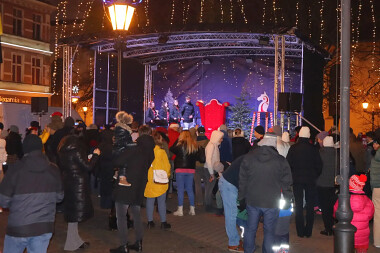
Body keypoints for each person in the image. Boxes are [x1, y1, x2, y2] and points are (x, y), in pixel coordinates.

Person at [0, 135, 64, 253]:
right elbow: (60, 197)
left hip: (18, 227)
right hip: (43, 227)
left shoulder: (15, 169)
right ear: (41, 149)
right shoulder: (54, 169)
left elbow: (3, 201)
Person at [239, 132, 293, 253]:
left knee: (250, 229)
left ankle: (248, 250)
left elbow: (242, 180)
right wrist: (288, 200)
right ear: (274, 143)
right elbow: (287, 183)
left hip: (253, 200)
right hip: (271, 202)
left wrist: (241, 198)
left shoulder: (249, 157)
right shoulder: (280, 160)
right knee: (269, 231)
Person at [110, 125, 155, 253]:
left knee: (121, 215)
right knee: (136, 214)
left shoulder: (135, 149)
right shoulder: (150, 150)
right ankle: (139, 243)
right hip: (139, 186)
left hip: (126, 185)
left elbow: (117, 161)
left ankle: (124, 245)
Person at [58, 135, 100, 251]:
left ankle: (75, 240)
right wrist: (95, 155)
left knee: (72, 213)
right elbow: (88, 167)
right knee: (74, 215)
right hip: (78, 184)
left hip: (68, 182)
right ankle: (71, 243)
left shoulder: (62, 150)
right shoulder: (76, 150)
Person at [286, 126, 322, 238]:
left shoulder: (293, 148)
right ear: (308, 135)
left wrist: (293, 175)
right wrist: (315, 175)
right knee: (310, 205)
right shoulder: (314, 149)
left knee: (299, 205)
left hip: (297, 179)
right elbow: (319, 165)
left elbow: (288, 164)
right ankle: (308, 231)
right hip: (310, 179)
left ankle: (300, 231)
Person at [334, 175, 374, 253]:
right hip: (363, 235)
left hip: (347, 235)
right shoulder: (368, 201)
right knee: (361, 250)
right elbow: (370, 215)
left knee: (347, 249)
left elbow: (336, 213)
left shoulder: (343, 200)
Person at [170, 130, 205, 216]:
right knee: (189, 189)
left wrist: (177, 139)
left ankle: (180, 210)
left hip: (180, 169)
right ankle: (192, 209)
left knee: (181, 189)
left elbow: (171, 149)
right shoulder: (194, 145)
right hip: (191, 169)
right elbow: (200, 158)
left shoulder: (179, 145)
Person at [144, 130, 171, 230]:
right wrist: (167, 175)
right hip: (160, 179)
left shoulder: (147, 151)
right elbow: (167, 166)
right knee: (161, 201)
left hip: (150, 179)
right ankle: (163, 222)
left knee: (150, 200)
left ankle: (150, 221)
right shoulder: (161, 151)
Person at [219, 155, 245, 252]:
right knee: (231, 214)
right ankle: (233, 244)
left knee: (232, 213)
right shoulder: (251, 161)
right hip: (228, 184)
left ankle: (236, 239)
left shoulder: (249, 157)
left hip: (230, 183)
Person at [317, 136, 338, 236]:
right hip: (334, 184)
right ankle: (335, 226)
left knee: (325, 208)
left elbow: (316, 168)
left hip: (322, 183)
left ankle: (328, 228)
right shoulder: (337, 154)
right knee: (334, 206)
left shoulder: (320, 153)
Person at [204, 130, 224, 212]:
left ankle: (208, 205)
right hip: (210, 169)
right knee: (209, 188)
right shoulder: (211, 146)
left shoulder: (214, 145)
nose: (221, 140)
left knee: (210, 188)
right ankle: (208, 206)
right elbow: (208, 160)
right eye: (220, 138)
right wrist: (211, 173)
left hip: (212, 169)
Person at [113, 111, 134, 187]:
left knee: (123, 163)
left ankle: (118, 174)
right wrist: (136, 143)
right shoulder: (123, 130)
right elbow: (125, 143)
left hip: (119, 149)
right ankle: (122, 178)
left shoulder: (120, 129)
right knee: (124, 163)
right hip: (121, 150)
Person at [194, 126, 210, 206]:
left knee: (197, 184)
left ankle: (199, 201)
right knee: (207, 183)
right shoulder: (208, 141)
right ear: (204, 132)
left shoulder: (194, 142)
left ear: (197, 132)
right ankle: (207, 200)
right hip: (206, 164)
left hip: (196, 164)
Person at [370, 138, 380, 248]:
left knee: (377, 214)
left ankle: (378, 242)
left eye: (375, 142)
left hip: (377, 187)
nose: (374, 144)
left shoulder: (377, 156)